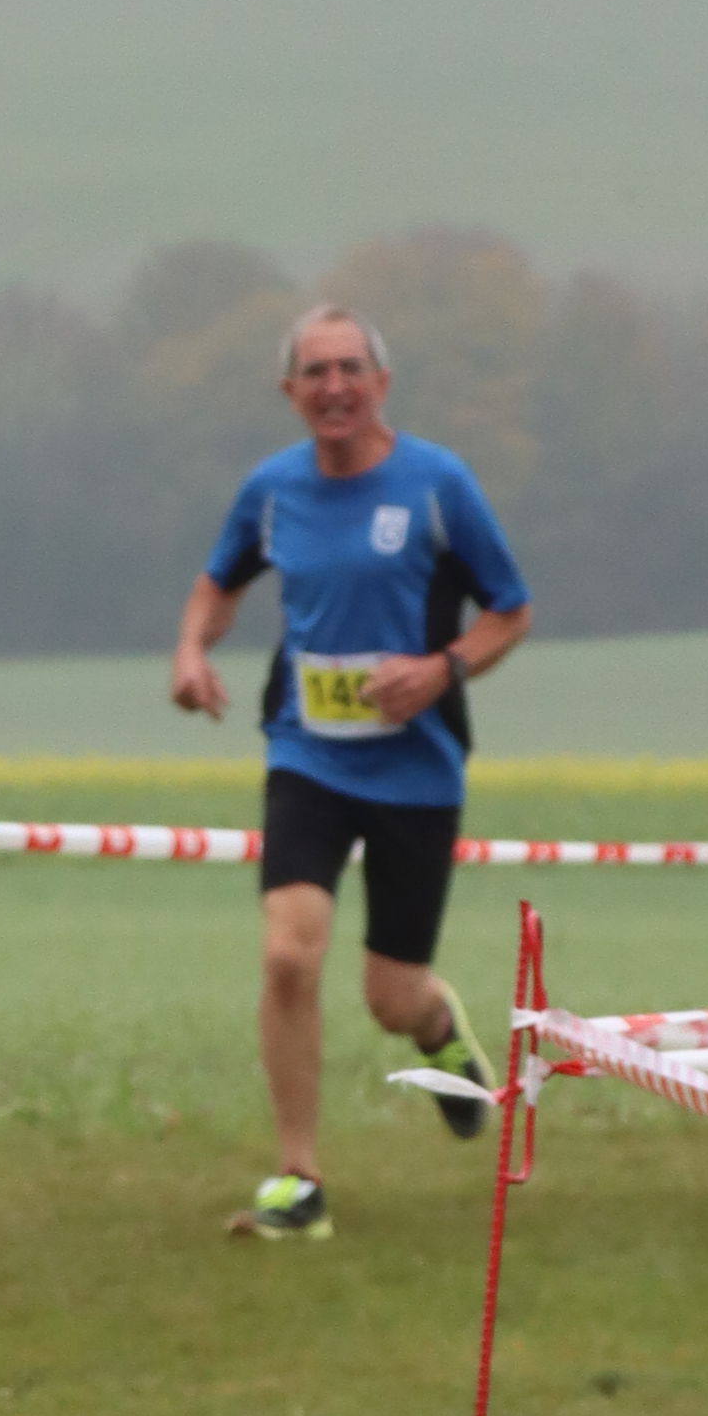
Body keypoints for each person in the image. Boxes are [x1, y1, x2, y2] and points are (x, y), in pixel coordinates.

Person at [168, 301, 531, 1241]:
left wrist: (440, 670)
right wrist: (192, 650)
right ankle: (299, 1180)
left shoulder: (438, 484)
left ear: (381, 383)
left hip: (417, 770)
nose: (334, 388)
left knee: (390, 998)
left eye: (350, 370)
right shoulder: (272, 491)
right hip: (308, 755)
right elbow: (218, 582)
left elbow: (510, 610)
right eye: (316, 373)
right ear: (289, 391)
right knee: (289, 954)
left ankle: (438, 1029)